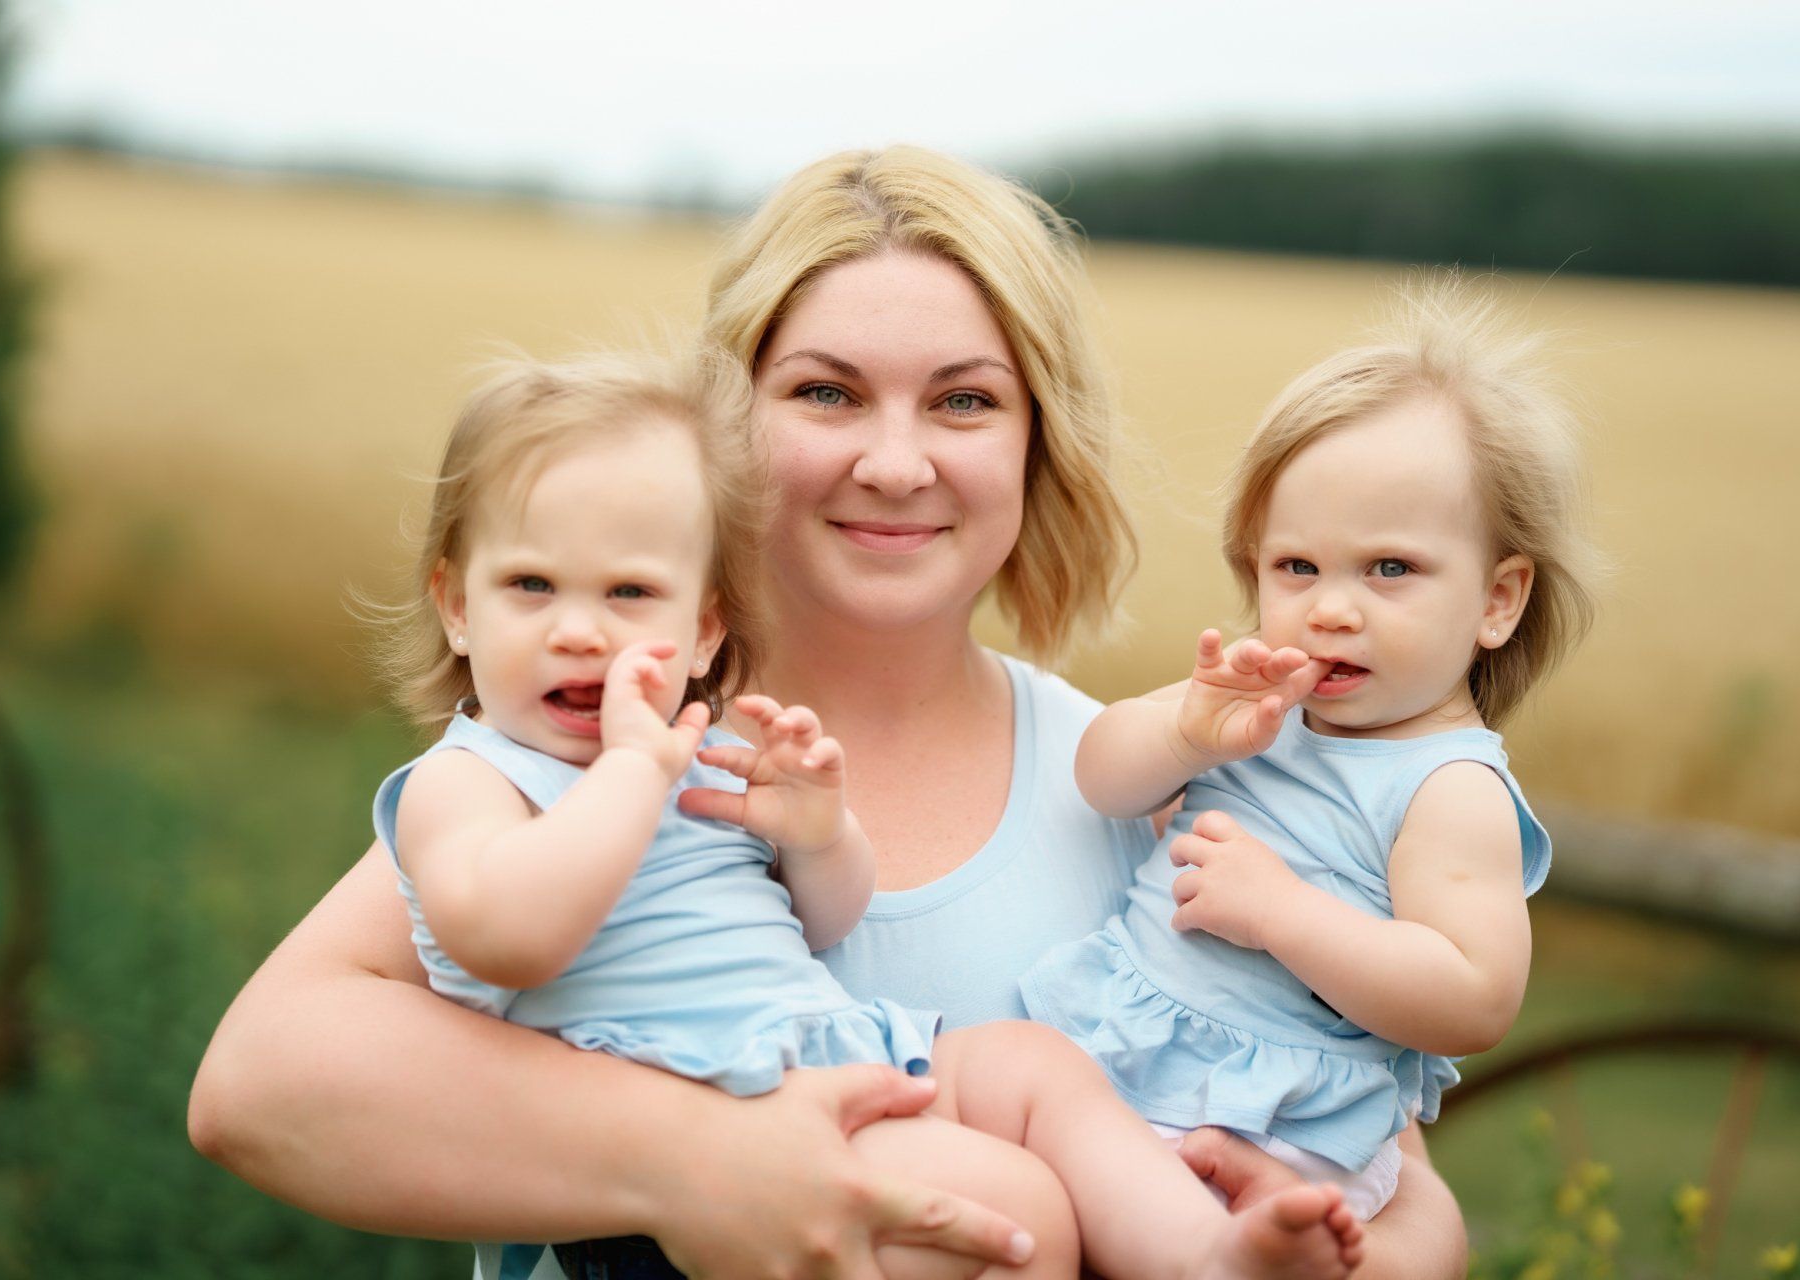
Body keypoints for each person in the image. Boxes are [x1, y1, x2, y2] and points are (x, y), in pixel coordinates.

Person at [188, 146, 1473, 1278]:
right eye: (826, 391)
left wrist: (1392, 1249)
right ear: (724, 428)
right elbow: (261, 1084)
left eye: (966, 399)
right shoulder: (602, 745)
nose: (897, 461)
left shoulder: (1135, 775)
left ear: (1037, 440)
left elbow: (1378, 1163)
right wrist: (694, 1162)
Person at [373, 349, 1363, 1279]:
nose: (580, 630)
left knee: (1034, 1065)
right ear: (457, 605)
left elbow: (824, 924)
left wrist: (817, 837)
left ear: (704, 624)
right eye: (530, 586)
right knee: (1015, 1212)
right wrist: (633, 771)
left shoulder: (696, 748)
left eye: (631, 592)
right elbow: (507, 938)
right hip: (698, 1135)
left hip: (823, 1053)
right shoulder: (472, 779)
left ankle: (1211, 1253)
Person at [1024, 279, 1601, 1220]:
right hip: (1123, 1055)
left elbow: (1473, 996)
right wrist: (1182, 731)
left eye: (1390, 569)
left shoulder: (1447, 789)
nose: (1331, 606)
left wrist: (1282, 913)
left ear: (1498, 600)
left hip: (1271, 1127)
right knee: (991, 1080)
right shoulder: (1258, 704)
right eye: (1297, 567)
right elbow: (1101, 778)